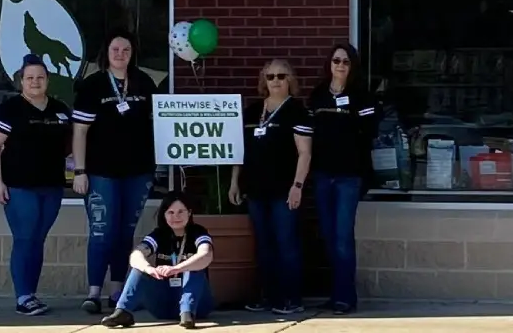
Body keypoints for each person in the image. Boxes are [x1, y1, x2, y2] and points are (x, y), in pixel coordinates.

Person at [71, 32, 159, 315]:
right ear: (106, 52)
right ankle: (93, 292)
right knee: (102, 232)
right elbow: (80, 132)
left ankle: (117, 290)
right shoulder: (93, 85)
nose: (121, 54)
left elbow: (157, 124)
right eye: (115, 49)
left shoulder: (144, 82)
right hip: (101, 172)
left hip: (138, 171)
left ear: (133, 53)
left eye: (126, 49)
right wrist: (80, 171)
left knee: (125, 233)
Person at [0, 55, 72, 316]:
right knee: (25, 238)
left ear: (48, 80)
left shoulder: (59, 109)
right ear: (21, 81)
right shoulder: (10, 109)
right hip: (19, 186)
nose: (35, 82)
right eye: (30, 78)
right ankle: (23, 297)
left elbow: (72, 145)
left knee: (37, 239)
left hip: (52, 186)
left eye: (40, 77)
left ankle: (31, 294)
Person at [228, 58, 312, 315]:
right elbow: (240, 151)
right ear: (264, 80)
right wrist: (234, 182)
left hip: (283, 190)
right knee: (263, 245)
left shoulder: (297, 111)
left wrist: (297, 185)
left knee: (286, 243)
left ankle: (291, 298)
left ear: (290, 80)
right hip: (256, 189)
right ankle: (267, 296)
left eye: (281, 76)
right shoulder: (253, 111)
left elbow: (305, 153)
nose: (275, 81)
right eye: (270, 76)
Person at [306, 42, 376, 314]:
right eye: (336, 60)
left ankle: (346, 297)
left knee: (343, 237)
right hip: (322, 175)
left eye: (346, 61)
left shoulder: (362, 96)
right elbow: (308, 133)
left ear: (352, 66)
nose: (340, 66)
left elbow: (369, 131)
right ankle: (336, 293)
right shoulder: (318, 95)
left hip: (349, 175)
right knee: (327, 235)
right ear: (329, 64)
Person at [99, 195, 215, 329]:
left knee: (193, 267)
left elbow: (206, 255)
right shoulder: (159, 234)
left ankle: (187, 312)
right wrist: (148, 268)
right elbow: (136, 255)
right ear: (164, 214)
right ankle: (123, 311)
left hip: (197, 306)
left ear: (189, 213)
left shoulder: (198, 232)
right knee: (139, 269)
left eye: (180, 212)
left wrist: (177, 268)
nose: (176, 216)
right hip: (163, 305)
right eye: (170, 212)